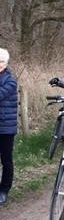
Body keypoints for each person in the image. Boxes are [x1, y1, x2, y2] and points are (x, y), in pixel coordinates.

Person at [0, 48, 17, 205]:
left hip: (6, 128)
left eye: (2, 61)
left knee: (6, 160)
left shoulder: (10, 81)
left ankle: (4, 190)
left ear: (6, 63)